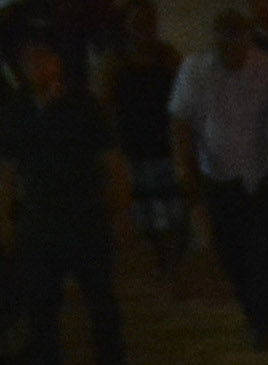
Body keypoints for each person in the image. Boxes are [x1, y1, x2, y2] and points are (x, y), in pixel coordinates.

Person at [0, 35, 129, 365]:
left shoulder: (84, 105)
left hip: (84, 217)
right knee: (41, 305)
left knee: (100, 299)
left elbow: (111, 161)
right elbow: (8, 169)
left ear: (57, 62)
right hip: (40, 221)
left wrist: (120, 211)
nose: (36, 67)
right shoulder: (18, 109)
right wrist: (6, 219)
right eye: (29, 60)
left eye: (43, 58)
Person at [172, 9, 268, 348]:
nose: (232, 48)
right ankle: (253, 312)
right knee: (232, 250)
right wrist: (184, 168)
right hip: (219, 175)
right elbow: (181, 120)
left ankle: (263, 321)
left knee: (265, 250)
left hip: (261, 172)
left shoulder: (267, 68)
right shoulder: (196, 70)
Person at [110, 4, 186, 272]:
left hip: (166, 148)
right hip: (134, 152)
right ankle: (162, 264)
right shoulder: (116, 62)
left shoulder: (168, 58)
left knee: (174, 216)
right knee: (145, 218)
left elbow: (184, 103)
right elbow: (106, 108)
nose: (144, 30)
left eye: (149, 23)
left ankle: (173, 266)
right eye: (138, 23)